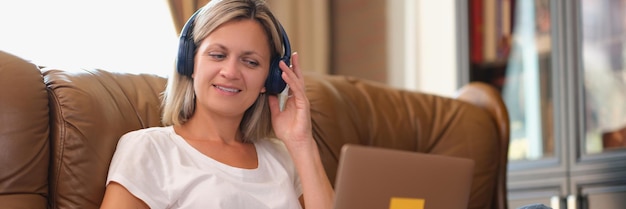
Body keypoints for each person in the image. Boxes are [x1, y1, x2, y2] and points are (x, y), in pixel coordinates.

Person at [99, 0, 334, 208]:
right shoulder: (150, 149)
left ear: (269, 79)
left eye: (250, 62)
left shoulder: (283, 157)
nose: (231, 72)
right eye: (218, 55)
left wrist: (302, 144)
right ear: (189, 62)